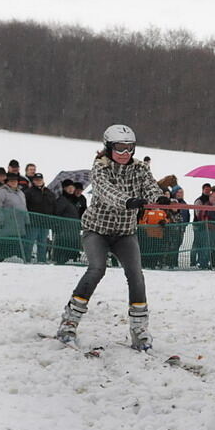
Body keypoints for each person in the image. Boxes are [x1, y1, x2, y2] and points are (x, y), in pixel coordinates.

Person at [55, 124, 163, 350]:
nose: (125, 153)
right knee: (97, 269)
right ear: (108, 147)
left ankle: (139, 328)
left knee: (136, 274)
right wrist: (128, 201)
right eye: (119, 148)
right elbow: (107, 192)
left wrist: (159, 198)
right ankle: (69, 322)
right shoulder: (100, 167)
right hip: (97, 231)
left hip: (125, 233)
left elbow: (150, 187)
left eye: (129, 148)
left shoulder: (140, 168)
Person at [0, 172, 29, 261]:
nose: (13, 182)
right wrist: (0, 220)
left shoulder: (21, 193)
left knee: (17, 245)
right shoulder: (1, 192)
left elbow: (24, 207)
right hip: (6, 225)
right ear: (7, 182)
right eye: (11, 181)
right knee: (3, 245)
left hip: (19, 226)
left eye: (15, 181)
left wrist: (27, 219)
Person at [23, 173, 57, 263]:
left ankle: (41, 261)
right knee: (29, 242)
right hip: (32, 222)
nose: (38, 181)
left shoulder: (49, 192)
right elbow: (24, 206)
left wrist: (52, 219)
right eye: (36, 180)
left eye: (40, 180)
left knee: (43, 243)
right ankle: (26, 260)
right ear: (33, 181)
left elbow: (54, 205)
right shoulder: (28, 192)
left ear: (43, 180)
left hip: (45, 222)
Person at [53, 179, 82, 265]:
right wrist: (58, 225)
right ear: (64, 188)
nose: (71, 189)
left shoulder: (74, 200)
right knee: (64, 245)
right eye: (68, 187)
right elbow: (57, 212)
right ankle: (61, 260)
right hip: (64, 228)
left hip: (73, 228)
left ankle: (71, 258)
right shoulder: (62, 199)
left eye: (72, 187)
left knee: (72, 244)